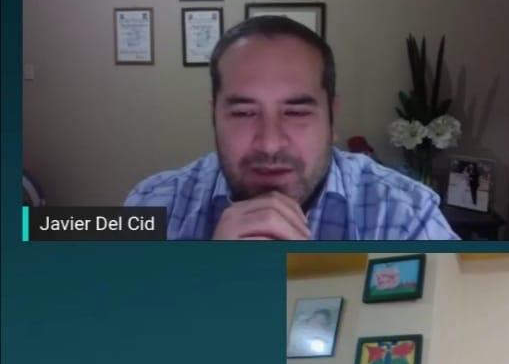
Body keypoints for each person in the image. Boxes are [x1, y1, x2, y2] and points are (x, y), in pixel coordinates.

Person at [125, 15, 458, 240]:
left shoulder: (408, 216)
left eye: (296, 112)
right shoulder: (151, 203)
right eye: (244, 113)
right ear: (214, 115)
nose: (270, 143)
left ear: (332, 118)